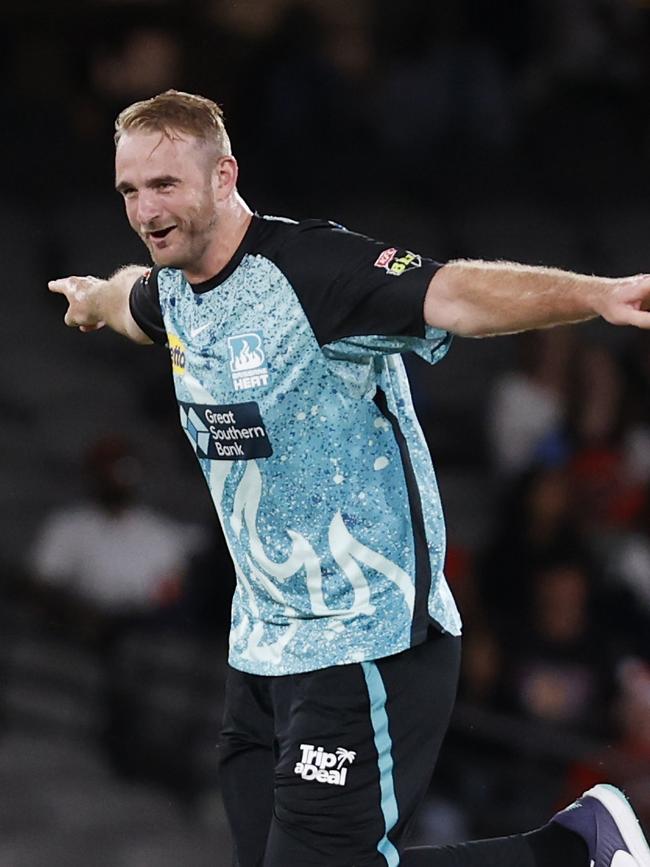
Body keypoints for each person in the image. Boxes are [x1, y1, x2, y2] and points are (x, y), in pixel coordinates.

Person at [48, 89, 650, 867]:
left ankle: (575, 852)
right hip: (261, 653)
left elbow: (457, 293)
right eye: (130, 189)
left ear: (224, 176)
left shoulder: (313, 272)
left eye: (165, 185)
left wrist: (597, 296)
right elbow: (134, 301)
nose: (144, 208)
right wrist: (94, 299)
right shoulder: (172, 294)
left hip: (366, 644)